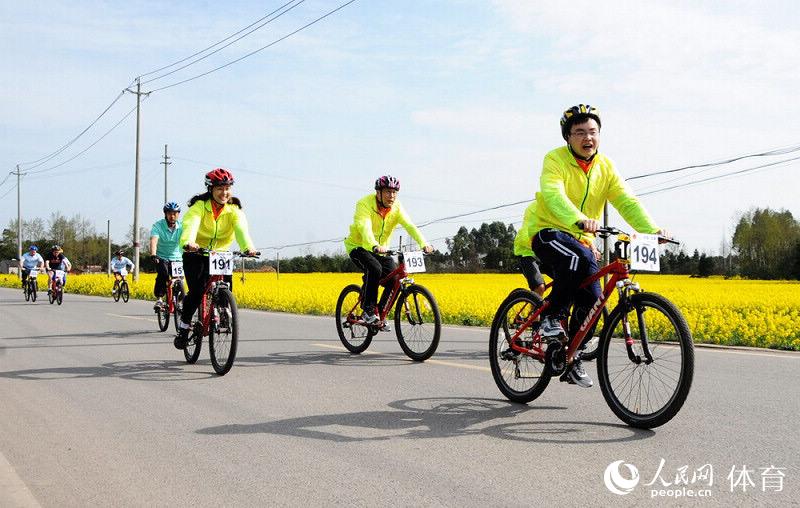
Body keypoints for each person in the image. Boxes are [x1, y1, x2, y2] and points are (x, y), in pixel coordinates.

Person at [529, 104, 668, 388]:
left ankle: (572, 356)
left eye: (593, 132)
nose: (587, 138)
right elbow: (553, 195)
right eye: (579, 132)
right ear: (568, 137)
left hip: (582, 239)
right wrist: (578, 219)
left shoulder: (606, 166)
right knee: (576, 259)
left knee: (594, 299)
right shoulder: (554, 160)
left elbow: (626, 200)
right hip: (548, 231)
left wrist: (650, 230)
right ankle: (550, 317)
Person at [174, 168, 257, 349]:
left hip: (220, 254)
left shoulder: (234, 210)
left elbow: (242, 230)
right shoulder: (199, 207)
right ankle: (184, 327)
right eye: (219, 188)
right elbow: (190, 225)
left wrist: (247, 247)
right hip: (196, 252)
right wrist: (189, 242)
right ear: (210, 189)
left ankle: (224, 310)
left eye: (227, 188)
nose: (224, 193)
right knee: (196, 292)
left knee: (226, 288)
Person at [343, 175, 433, 326]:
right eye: (387, 192)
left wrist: (424, 243)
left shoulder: (396, 207)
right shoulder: (364, 204)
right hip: (359, 246)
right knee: (374, 268)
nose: (391, 196)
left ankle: (380, 312)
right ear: (378, 193)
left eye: (394, 192)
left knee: (395, 279)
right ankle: (368, 310)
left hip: (381, 250)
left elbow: (409, 225)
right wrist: (373, 245)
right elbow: (363, 227)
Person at [150, 201, 183, 311]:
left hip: (178, 258)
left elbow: (188, 238)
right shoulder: (158, 226)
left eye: (175, 213)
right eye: (169, 213)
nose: (172, 216)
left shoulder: (182, 226)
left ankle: (179, 299)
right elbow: (154, 240)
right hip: (162, 257)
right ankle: (160, 299)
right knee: (163, 274)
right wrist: (153, 254)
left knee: (179, 279)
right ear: (165, 214)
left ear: (178, 214)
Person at [513, 201, 546, 296]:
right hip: (527, 253)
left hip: (544, 254)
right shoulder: (535, 208)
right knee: (539, 288)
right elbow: (525, 236)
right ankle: (533, 310)